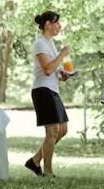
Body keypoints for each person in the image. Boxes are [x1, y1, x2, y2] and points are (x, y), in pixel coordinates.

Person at [27, 10, 74, 177]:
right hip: (42, 90)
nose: (59, 26)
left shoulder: (50, 43)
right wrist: (62, 55)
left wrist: (63, 75)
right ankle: (47, 171)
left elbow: (52, 69)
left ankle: (34, 161)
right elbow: (47, 70)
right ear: (48, 24)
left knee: (63, 130)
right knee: (53, 131)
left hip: (52, 90)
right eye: (57, 23)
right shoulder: (40, 43)